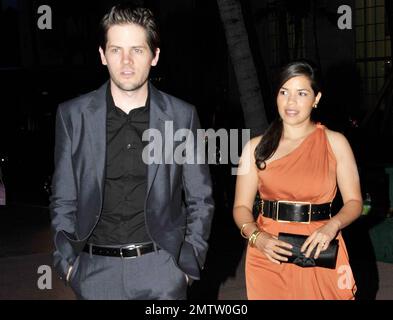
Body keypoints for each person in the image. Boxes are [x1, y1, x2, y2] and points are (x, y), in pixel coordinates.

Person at [50, 4, 214, 300]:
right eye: (116, 50)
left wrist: (188, 266)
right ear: (103, 55)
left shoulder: (181, 116)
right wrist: (68, 264)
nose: (126, 61)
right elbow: (63, 197)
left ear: (155, 56)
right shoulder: (72, 115)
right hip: (93, 272)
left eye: (137, 50)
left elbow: (200, 198)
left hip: (162, 271)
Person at [233, 61, 362, 300]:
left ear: (316, 98)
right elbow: (240, 208)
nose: (291, 102)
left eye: (301, 93)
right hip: (269, 250)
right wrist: (256, 237)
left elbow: (354, 201)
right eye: (284, 92)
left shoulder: (335, 143)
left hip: (319, 245)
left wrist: (332, 226)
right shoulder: (255, 148)